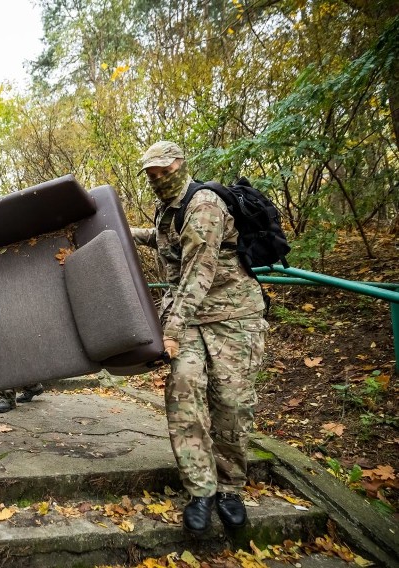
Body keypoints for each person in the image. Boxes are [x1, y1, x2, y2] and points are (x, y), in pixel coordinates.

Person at [131, 141, 269, 534]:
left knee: (230, 402)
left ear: (180, 163)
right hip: (190, 319)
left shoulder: (205, 204)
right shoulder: (168, 208)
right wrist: (127, 230)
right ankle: (200, 490)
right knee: (183, 393)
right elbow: (166, 240)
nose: (158, 178)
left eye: (163, 169)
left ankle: (230, 488)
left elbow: (197, 275)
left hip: (233, 317)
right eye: (151, 174)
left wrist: (169, 333)